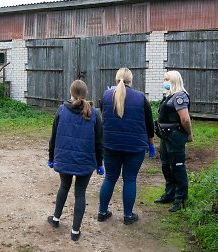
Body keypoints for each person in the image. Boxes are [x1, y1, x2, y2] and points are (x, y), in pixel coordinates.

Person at [46, 80, 104, 241]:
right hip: (86, 161)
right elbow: (100, 142)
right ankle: (75, 231)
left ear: (71, 92)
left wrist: (52, 158)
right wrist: (100, 163)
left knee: (64, 186)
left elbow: (53, 137)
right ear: (86, 93)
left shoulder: (61, 110)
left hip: (64, 159)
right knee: (80, 194)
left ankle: (56, 219)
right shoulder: (94, 113)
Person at [98, 68, 155, 225]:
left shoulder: (106, 96)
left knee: (110, 178)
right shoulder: (141, 98)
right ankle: (128, 216)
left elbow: (104, 114)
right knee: (130, 179)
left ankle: (102, 212)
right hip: (134, 146)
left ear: (116, 80)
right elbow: (149, 124)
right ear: (131, 80)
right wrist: (151, 144)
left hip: (110, 144)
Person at [154, 70, 193, 212]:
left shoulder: (180, 97)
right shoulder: (168, 97)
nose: (164, 82)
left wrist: (189, 134)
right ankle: (170, 194)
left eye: (167, 79)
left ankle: (181, 198)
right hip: (165, 136)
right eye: (164, 79)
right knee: (166, 166)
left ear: (175, 81)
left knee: (177, 166)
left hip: (175, 136)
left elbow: (185, 119)